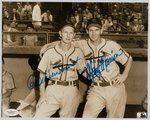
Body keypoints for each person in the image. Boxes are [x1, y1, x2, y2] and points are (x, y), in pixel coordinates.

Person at [40, 18, 133, 118]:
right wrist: (48, 45)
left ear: (101, 30)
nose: (94, 33)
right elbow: (66, 41)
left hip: (114, 87)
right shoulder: (82, 44)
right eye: (91, 30)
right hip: (96, 88)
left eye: (97, 30)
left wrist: (124, 75)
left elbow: (129, 59)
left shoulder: (112, 45)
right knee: (86, 116)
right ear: (87, 31)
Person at [34, 21, 85, 117]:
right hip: (53, 88)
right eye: (65, 32)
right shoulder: (50, 52)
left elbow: (84, 71)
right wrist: (42, 95)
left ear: (74, 35)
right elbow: (42, 73)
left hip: (71, 89)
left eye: (71, 33)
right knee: (39, 116)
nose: (68, 35)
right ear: (60, 33)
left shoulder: (78, 52)